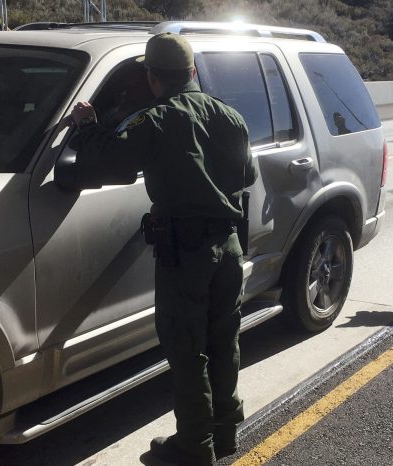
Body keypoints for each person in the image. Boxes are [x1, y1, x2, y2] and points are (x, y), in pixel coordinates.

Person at [69, 32, 257, 465]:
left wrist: (87, 126)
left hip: (186, 254)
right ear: (192, 72)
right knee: (224, 341)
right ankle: (225, 435)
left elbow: (105, 162)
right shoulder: (231, 116)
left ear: (153, 78)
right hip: (228, 247)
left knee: (188, 350)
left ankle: (194, 448)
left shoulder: (154, 120)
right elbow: (246, 178)